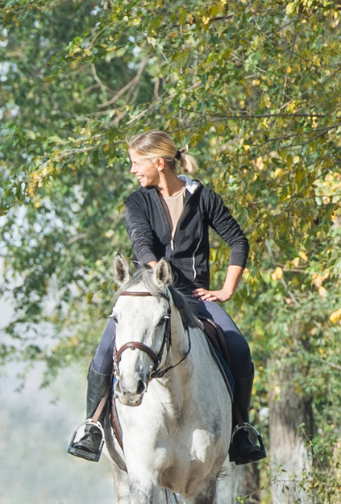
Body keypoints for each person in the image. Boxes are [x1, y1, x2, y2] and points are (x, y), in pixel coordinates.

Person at [67, 130, 266, 467]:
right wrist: (155, 272)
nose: (132, 170)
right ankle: (92, 426)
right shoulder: (137, 201)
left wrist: (228, 288)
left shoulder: (203, 197)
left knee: (239, 349)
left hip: (195, 297)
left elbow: (237, 240)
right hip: (150, 293)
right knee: (104, 352)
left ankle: (241, 430)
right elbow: (141, 243)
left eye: (136, 163)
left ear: (159, 163)